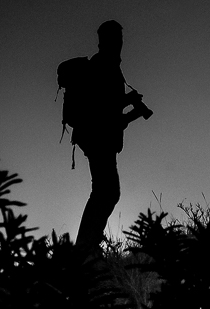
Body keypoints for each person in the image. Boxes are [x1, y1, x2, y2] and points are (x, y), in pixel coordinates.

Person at [73, 20, 151, 249]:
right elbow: (104, 107)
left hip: (99, 137)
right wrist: (129, 103)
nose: (119, 43)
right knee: (105, 192)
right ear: (105, 40)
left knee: (105, 192)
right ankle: (85, 247)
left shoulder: (109, 65)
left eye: (119, 38)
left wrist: (131, 110)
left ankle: (87, 246)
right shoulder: (103, 64)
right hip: (98, 138)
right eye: (115, 38)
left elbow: (111, 112)